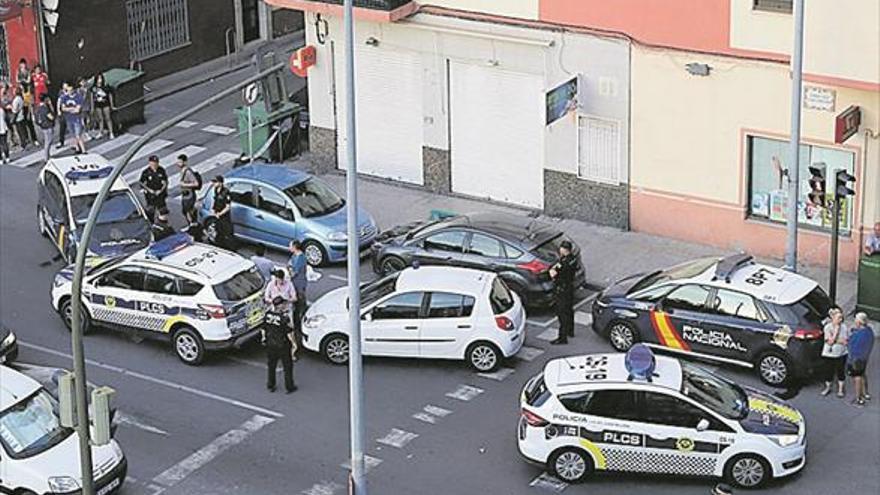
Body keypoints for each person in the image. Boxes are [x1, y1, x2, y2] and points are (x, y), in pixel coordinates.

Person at [263, 298, 297, 394]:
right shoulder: (284, 318)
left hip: (270, 345)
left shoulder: (267, 315)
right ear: (280, 305)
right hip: (283, 346)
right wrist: (294, 344)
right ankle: (289, 387)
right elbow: (289, 333)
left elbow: (263, 328)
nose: (285, 305)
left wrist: (264, 339)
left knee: (271, 366)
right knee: (287, 367)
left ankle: (271, 385)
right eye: (283, 304)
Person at [549, 240, 577, 345]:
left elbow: (553, 274)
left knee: (562, 314)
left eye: (561, 248)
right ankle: (570, 331)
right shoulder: (573, 259)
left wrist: (553, 272)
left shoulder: (564, 262)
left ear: (565, 250)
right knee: (569, 310)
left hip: (562, 290)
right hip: (569, 288)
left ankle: (562, 338)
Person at [820, 308, 849, 398]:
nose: (840, 320)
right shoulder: (827, 327)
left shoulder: (844, 327)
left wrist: (834, 339)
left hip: (841, 353)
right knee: (828, 371)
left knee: (840, 371)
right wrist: (836, 331)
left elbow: (845, 341)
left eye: (841, 317)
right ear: (833, 318)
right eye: (838, 318)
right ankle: (828, 387)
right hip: (829, 354)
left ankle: (840, 389)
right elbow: (829, 341)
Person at [848, 312, 874, 407]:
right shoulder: (868, 331)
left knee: (857, 377)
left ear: (859, 322)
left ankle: (859, 398)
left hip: (856, 358)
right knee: (863, 374)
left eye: (856, 319)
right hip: (864, 358)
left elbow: (852, 345)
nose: (855, 321)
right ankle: (865, 393)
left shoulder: (859, 335)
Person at [288, 240, 308, 348]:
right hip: (296, 283)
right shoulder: (294, 256)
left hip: (299, 283)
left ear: (295, 247)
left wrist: (289, 274)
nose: (289, 247)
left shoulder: (300, 258)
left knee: (300, 301)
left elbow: (294, 270)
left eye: (290, 246)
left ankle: (302, 318)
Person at [58, 81, 86, 154]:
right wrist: (72, 109)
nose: (69, 92)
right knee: (73, 135)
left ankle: (83, 150)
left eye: (70, 90)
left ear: (74, 90)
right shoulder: (64, 97)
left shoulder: (78, 97)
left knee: (78, 135)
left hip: (77, 119)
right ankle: (77, 148)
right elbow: (63, 108)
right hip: (69, 119)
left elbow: (77, 110)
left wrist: (69, 109)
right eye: (67, 90)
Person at [139, 155, 168, 222]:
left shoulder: (161, 170)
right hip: (150, 196)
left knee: (163, 212)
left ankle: (164, 225)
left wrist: (160, 190)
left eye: (156, 163)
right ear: (150, 163)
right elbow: (141, 183)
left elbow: (165, 182)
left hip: (160, 195)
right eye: (153, 163)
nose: (155, 164)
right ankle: (151, 224)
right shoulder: (146, 172)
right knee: (150, 212)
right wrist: (149, 190)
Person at [209, 175, 233, 249]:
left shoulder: (226, 192)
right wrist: (213, 210)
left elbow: (228, 207)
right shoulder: (216, 189)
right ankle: (219, 245)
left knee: (226, 232)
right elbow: (216, 200)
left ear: (220, 182)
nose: (213, 184)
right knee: (218, 231)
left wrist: (220, 214)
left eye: (215, 182)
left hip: (224, 216)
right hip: (217, 214)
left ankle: (228, 247)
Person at [177, 154, 199, 226]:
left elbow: (196, 183)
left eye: (180, 162)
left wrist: (184, 185)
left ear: (185, 162)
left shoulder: (188, 172)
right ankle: (191, 224)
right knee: (185, 211)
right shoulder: (182, 171)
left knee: (189, 211)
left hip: (189, 195)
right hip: (185, 195)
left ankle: (193, 224)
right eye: (178, 162)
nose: (178, 163)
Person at [91, 73, 115, 139]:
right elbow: (92, 98)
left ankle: (111, 132)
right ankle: (100, 132)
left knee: (108, 118)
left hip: (106, 104)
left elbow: (110, 96)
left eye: (101, 78)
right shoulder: (94, 88)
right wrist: (92, 107)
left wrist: (112, 105)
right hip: (98, 105)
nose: (100, 80)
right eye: (98, 79)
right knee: (100, 119)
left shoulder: (106, 87)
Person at [34, 93, 56, 162]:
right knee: (48, 142)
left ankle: (47, 156)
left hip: (43, 126)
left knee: (47, 141)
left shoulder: (37, 108)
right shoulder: (45, 108)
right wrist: (51, 106)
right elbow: (51, 117)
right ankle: (46, 157)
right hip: (48, 126)